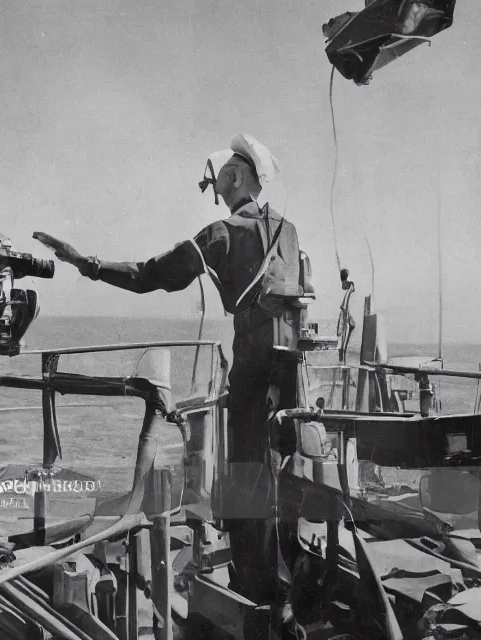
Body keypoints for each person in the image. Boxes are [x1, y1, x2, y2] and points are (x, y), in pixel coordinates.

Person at [33, 134, 308, 634]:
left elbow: (149, 275)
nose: (215, 183)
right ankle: (283, 587)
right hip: (290, 372)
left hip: (252, 368)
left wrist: (83, 262)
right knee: (277, 476)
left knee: (247, 479)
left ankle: (258, 600)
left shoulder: (222, 234)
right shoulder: (288, 230)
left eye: (221, 174)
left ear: (238, 177)